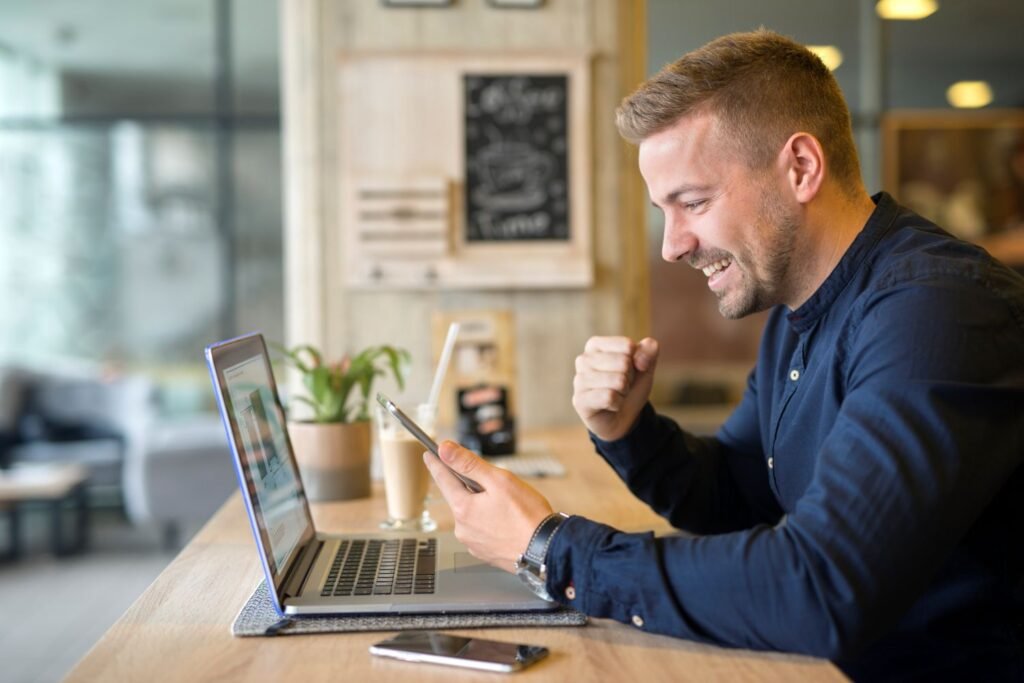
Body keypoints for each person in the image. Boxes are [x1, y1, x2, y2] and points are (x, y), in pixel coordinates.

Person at [422, 29, 1024, 681]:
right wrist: (629, 431)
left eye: (694, 202)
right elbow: (738, 492)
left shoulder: (937, 311)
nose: (672, 246)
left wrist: (552, 549)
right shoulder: (800, 307)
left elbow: (820, 587)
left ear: (800, 167)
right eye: (664, 210)